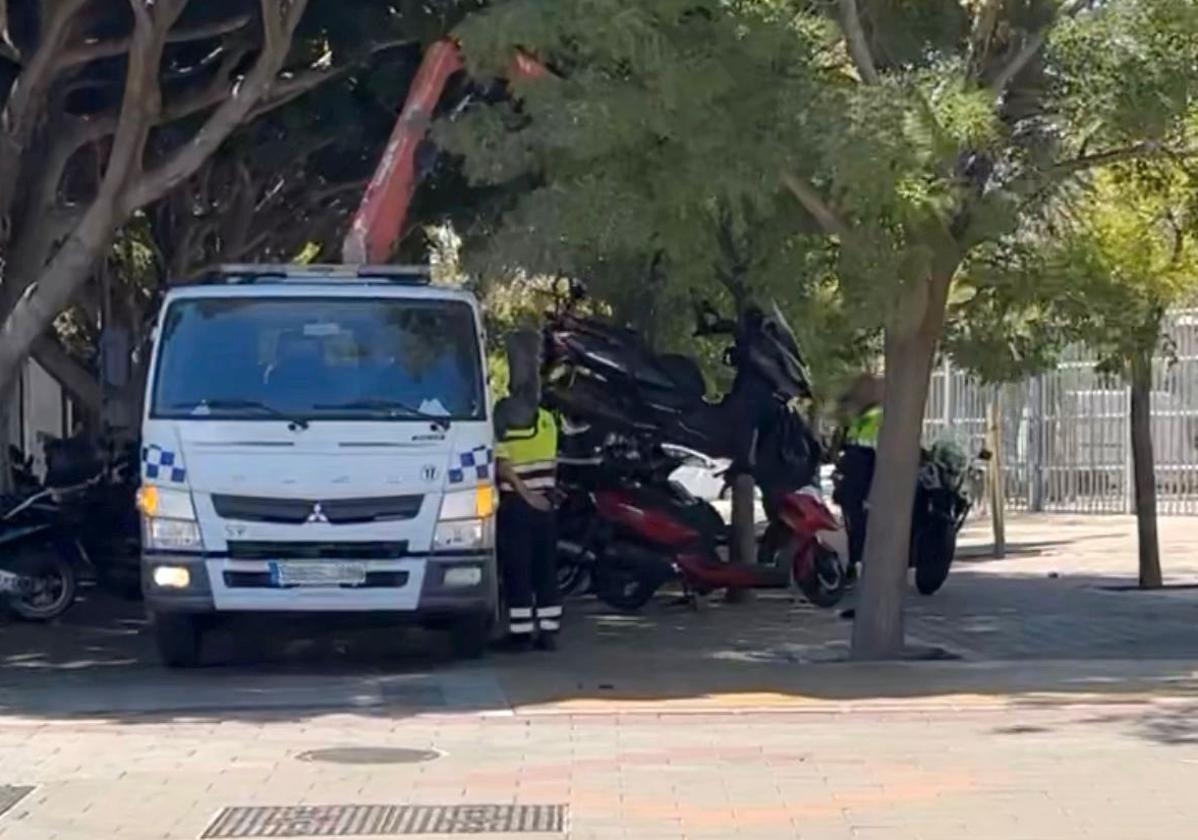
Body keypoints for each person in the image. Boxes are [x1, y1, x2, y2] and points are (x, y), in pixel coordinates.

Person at [493, 330, 562, 651]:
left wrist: (524, 493)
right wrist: (545, 496)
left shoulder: (503, 416)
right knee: (545, 568)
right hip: (546, 506)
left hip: (517, 505)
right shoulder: (549, 419)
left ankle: (520, 633)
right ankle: (548, 631)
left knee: (518, 570)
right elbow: (553, 464)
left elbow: (501, 464)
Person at [833, 373, 883, 577]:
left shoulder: (873, 416)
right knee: (856, 524)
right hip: (859, 476)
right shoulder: (862, 418)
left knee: (858, 524)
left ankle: (858, 562)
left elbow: (858, 448)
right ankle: (857, 562)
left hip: (863, 475)